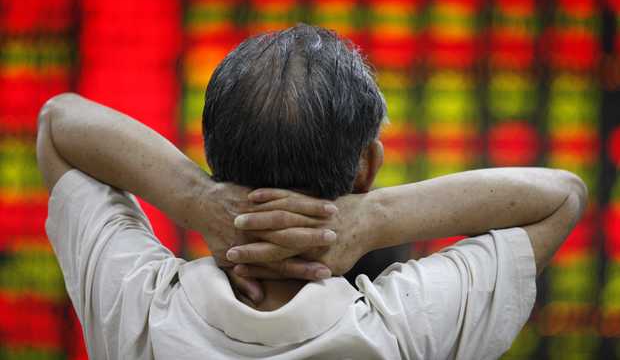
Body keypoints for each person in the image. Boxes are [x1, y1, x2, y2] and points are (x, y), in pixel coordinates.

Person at [37, 24, 587, 359]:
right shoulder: (406, 326)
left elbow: (60, 122)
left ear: (213, 159)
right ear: (367, 167)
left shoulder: (138, 310)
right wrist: (370, 219)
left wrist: (196, 200)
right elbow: (560, 196)